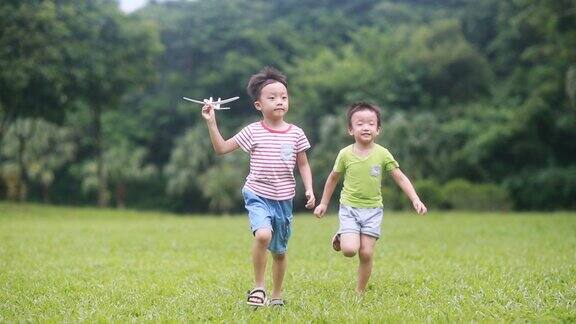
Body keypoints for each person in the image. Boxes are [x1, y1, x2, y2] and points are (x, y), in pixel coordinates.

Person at [201, 66, 315, 307]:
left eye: (284, 97)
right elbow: (221, 148)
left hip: (284, 200)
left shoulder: (296, 134)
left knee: (280, 252)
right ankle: (258, 287)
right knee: (263, 235)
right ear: (258, 105)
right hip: (257, 194)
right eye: (272, 98)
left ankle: (276, 295)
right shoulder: (252, 131)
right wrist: (212, 123)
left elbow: (303, 164)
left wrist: (309, 189)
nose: (279, 101)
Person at [313, 102, 427, 293]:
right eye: (359, 123)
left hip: (373, 211)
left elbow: (400, 177)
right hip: (349, 208)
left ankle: (360, 291)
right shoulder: (345, 154)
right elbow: (333, 178)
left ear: (378, 129)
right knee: (349, 250)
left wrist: (415, 199)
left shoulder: (382, 154)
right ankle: (342, 235)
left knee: (366, 253)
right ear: (350, 129)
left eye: (371, 123)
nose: (365, 127)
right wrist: (323, 203)